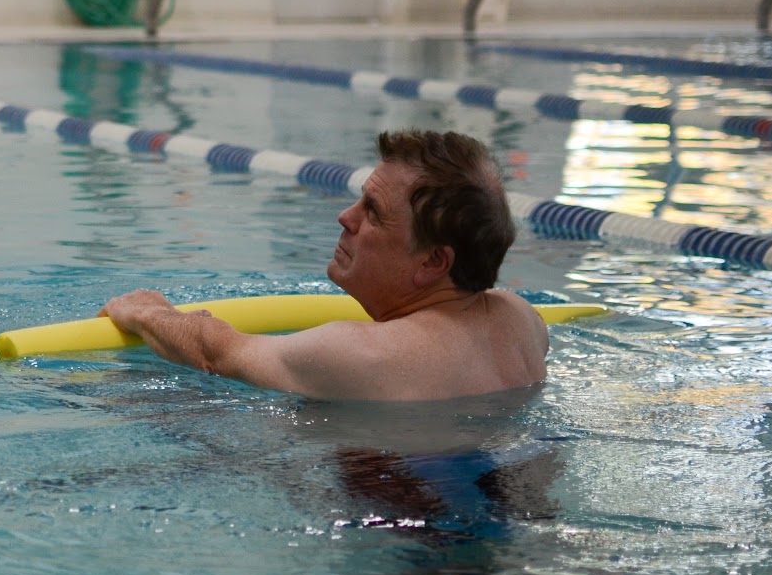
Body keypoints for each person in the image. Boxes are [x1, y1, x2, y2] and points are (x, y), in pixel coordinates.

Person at [102, 130, 547, 402]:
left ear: (433, 261)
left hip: (402, 522)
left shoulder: (362, 354)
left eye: (373, 212)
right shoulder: (522, 322)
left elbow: (216, 354)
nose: (345, 217)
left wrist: (149, 312)